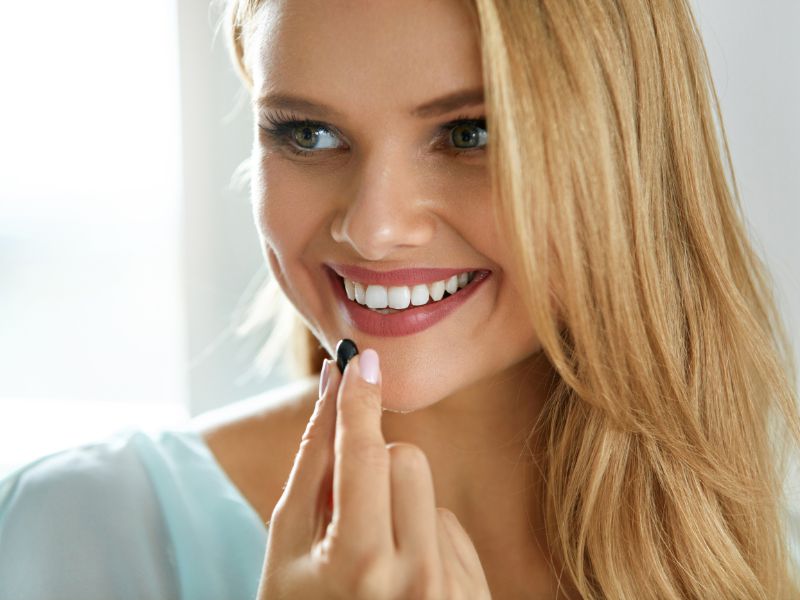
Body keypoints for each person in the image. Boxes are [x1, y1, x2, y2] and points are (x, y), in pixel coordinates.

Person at [1, 0, 798, 598]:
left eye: (470, 134)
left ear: (624, 151)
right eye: (307, 134)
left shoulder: (756, 555)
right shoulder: (75, 534)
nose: (375, 229)